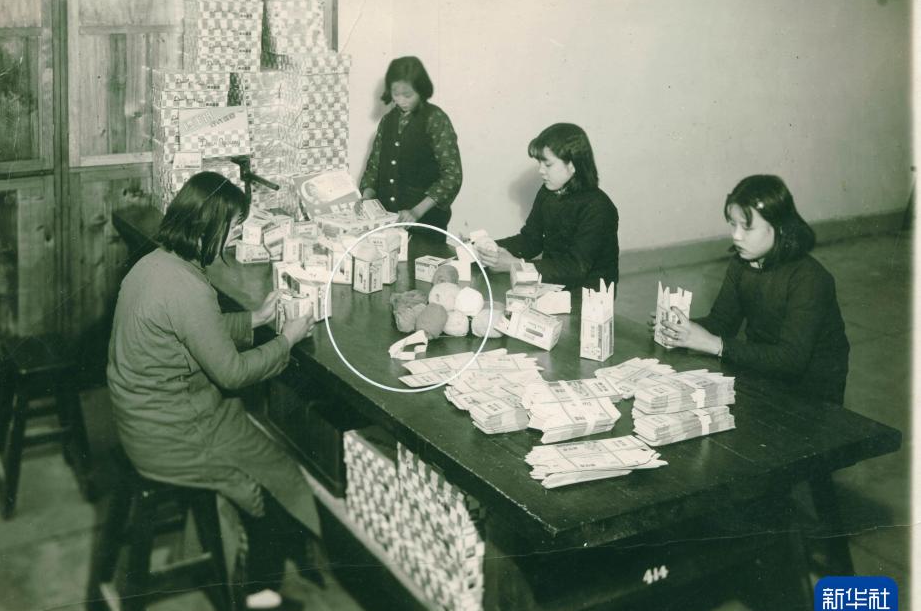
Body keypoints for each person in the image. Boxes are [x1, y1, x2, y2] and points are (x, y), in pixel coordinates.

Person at [107, 171, 318, 611]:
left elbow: (190, 330)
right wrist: (287, 340)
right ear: (209, 226)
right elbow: (232, 374)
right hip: (171, 434)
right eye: (235, 227)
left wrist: (254, 319)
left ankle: (276, 559)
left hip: (144, 418)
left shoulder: (155, 264)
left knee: (270, 460)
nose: (238, 236)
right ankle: (255, 595)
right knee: (269, 484)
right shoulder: (189, 288)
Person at [654, 174, 850, 405]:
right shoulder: (741, 263)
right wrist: (680, 327)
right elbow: (722, 323)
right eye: (733, 224)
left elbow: (791, 360)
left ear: (779, 227)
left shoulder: (810, 278)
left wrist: (714, 344)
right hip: (762, 372)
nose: (736, 236)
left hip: (811, 394)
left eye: (747, 227)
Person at [476, 122, 619, 290]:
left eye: (548, 164)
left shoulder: (599, 207)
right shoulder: (548, 192)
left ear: (573, 165)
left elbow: (575, 268)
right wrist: (488, 247)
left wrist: (515, 264)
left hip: (588, 295)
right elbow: (530, 240)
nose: (541, 170)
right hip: (553, 284)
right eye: (539, 163)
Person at [358, 56, 463, 246]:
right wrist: (366, 197)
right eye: (396, 94)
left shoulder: (435, 119)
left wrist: (416, 211)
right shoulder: (387, 121)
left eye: (407, 95)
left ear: (421, 90)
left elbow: (452, 176)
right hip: (388, 224)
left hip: (426, 225)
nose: (401, 101)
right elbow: (374, 167)